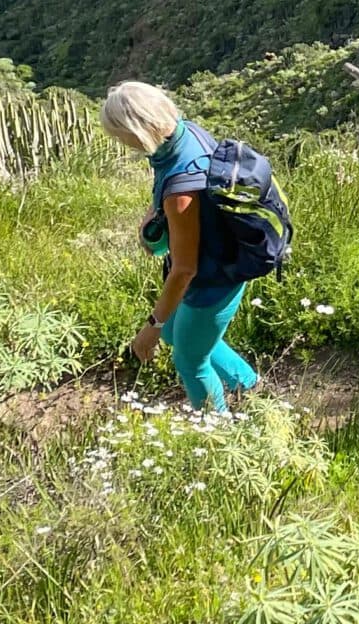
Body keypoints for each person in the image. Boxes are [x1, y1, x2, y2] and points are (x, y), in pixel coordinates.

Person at [101, 81, 259, 413]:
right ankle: (251, 389)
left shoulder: (181, 193)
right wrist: (152, 220)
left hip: (213, 282)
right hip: (222, 258)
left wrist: (150, 329)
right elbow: (167, 185)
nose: (122, 143)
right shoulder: (185, 133)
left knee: (190, 362)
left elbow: (186, 270)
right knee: (177, 333)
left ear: (138, 129)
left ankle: (218, 434)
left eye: (120, 135)